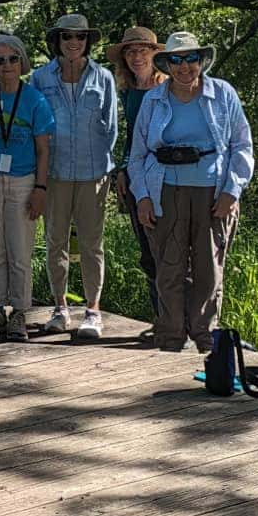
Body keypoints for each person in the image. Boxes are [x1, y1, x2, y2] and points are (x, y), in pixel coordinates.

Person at [128, 32, 255, 353]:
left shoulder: (222, 93)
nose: (184, 67)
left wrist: (232, 189)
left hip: (213, 191)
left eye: (190, 59)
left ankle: (204, 333)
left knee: (208, 267)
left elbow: (242, 144)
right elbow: (138, 154)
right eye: (176, 60)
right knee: (168, 266)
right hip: (165, 189)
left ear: (201, 60)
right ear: (167, 64)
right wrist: (142, 196)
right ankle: (170, 335)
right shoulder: (154, 100)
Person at [32, 13, 119, 341]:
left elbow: (111, 129)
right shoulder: (40, 79)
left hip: (93, 173)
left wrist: (103, 168)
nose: (73, 42)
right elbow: (37, 127)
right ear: (57, 40)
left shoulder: (104, 78)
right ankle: (60, 309)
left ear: (87, 41)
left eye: (80, 37)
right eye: (67, 36)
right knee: (55, 242)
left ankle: (93, 311)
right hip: (54, 172)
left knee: (91, 244)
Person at [0, 33, 54, 342]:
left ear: (22, 61)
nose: (6, 65)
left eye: (12, 59)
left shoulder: (35, 99)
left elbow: (44, 149)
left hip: (23, 181)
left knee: (20, 251)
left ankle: (20, 312)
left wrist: (40, 188)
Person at [108, 26, 167, 326]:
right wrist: (122, 169)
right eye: (130, 52)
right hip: (135, 179)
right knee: (147, 249)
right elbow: (133, 138)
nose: (136, 57)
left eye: (143, 51)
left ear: (156, 55)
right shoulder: (130, 92)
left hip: (165, 181)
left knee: (170, 247)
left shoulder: (168, 89)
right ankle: (159, 315)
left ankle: (179, 317)